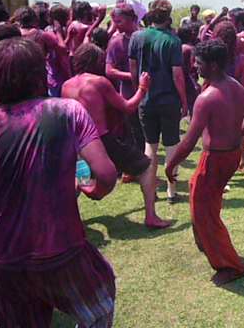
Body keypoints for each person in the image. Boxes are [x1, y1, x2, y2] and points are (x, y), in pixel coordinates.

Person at [0, 38, 118, 327]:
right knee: (99, 306)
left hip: (3, 258)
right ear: (40, 74)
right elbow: (107, 174)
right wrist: (94, 191)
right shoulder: (66, 111)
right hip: (61, 249)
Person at [165, 39, 244, 286]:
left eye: (199, 63)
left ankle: (231, 266)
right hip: (231, 155)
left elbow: (188, 142)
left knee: (205, 213)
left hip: (215, 159)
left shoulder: (206, 98)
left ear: (214, 65)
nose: (194, 66)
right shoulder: (235, 86)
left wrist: (169, 164)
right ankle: (205, 241)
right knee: (203, 197)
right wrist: (237, 134)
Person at [63, 43, 171, 229]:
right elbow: (128, 107)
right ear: (96, 62)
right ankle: (151, 216)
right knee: (145, 168)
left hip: (75, 142)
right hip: (100, 139)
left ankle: (64, 221)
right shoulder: (99, 82)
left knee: (78, 179)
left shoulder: (66, 85)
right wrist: (142, 88)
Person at [129, 0, 187, 204]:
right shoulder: (173, 41)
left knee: (149, 146)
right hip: (169, 100)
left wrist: (139, 91)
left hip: (146, 99)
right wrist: (184, 101)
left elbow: (133, 70)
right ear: (168, 16)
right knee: (171, 145)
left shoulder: (136, 37)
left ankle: (151, 190)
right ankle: (172, 191)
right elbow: (177, 76)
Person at [106, 3, 145, 166]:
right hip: (129, 94)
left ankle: (143, 166)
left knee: (145, 133)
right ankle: (134, 168)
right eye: (114, 21)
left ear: (133, 19)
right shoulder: (116, 43)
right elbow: (109, 70)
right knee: (132, 132)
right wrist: (133, 77)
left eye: (119, 21)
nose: (116, 25)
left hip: (149, 93)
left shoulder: (145, 38)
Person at [178, 25, 201, 116]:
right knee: (193, 105)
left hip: (179, 79)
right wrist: (195, 83)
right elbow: (192, 67)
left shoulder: (178, 47)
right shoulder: (190, 48)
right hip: (189, 80)